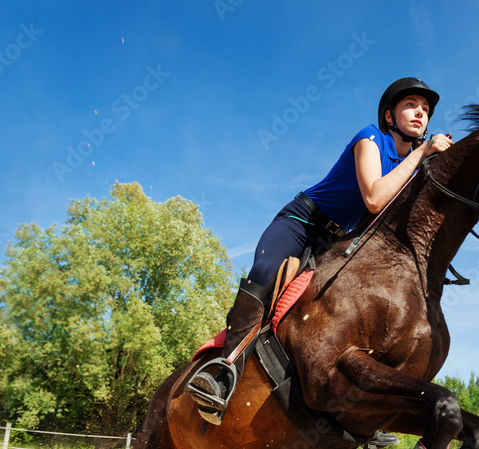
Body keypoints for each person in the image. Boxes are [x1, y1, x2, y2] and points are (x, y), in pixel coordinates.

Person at [188, 77, 453, 425]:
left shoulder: (415, 165)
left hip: (337, 240)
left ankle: (366, 409)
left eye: (426, 109)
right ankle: (224, 370)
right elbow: (374, 199)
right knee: (266, 274)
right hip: (302, 221)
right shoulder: (370, 137)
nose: (421, 112)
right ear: (390, 117)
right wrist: (423, 153)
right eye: (411, 105)